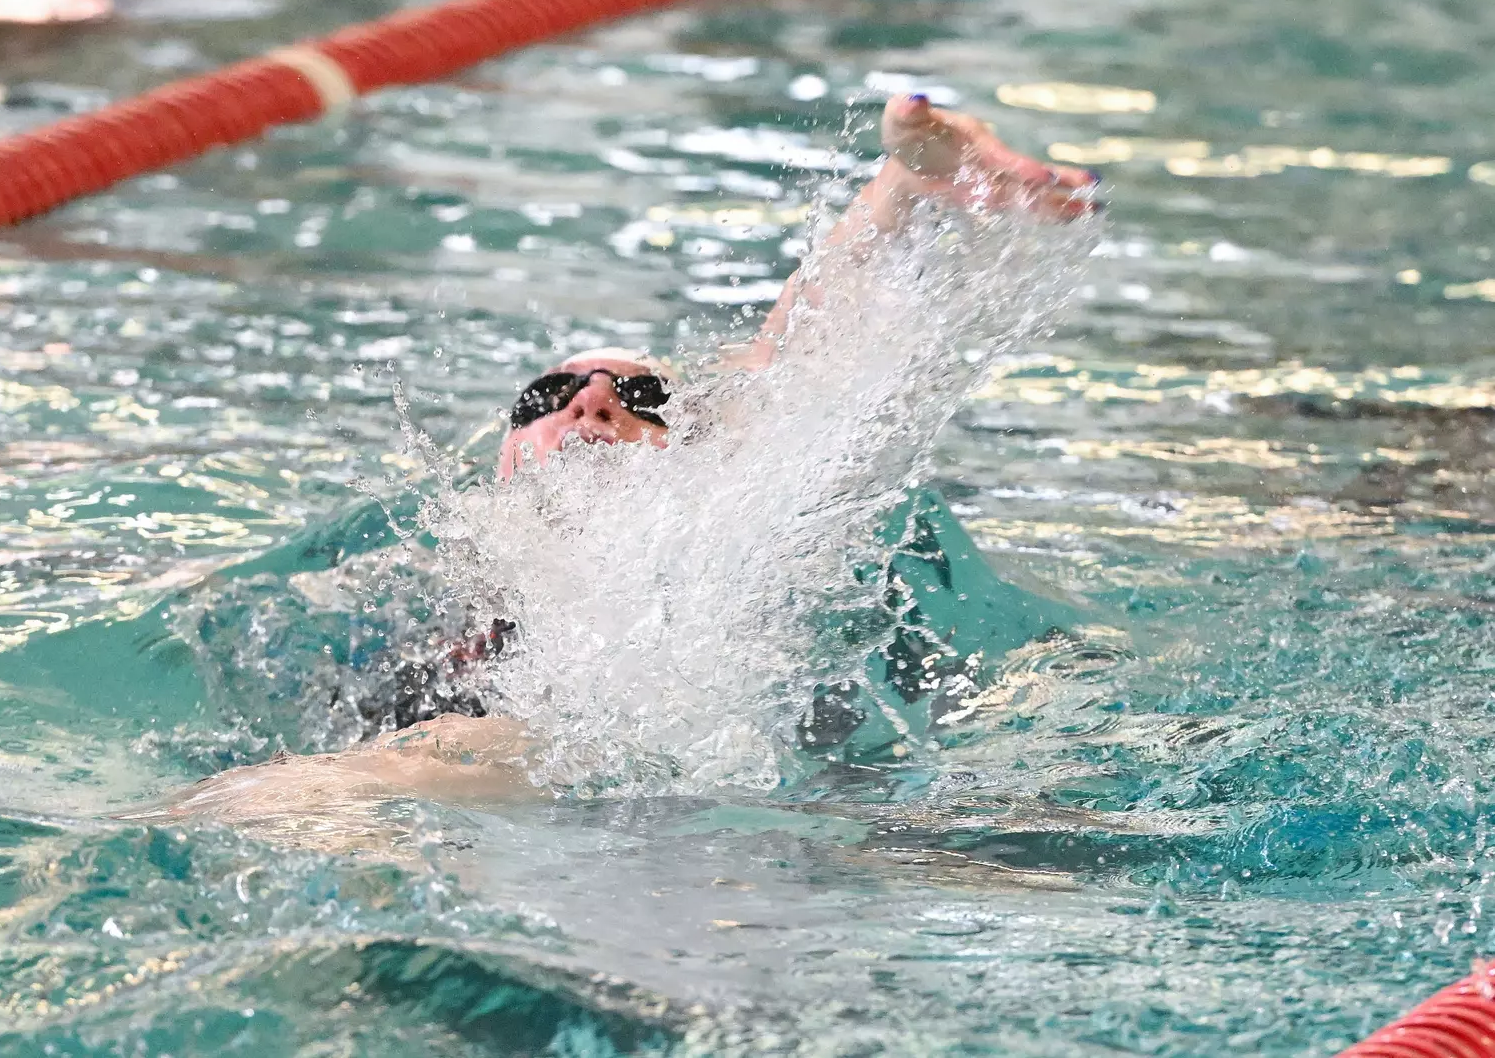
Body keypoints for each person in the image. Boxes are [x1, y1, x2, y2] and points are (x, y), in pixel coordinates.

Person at [141, 93, 1099, 826]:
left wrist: (898, 189)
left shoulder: (716, 564)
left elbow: (798, 371)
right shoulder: (415, 609)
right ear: (507, 462)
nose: (594, 400)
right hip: (468, 805)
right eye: (551, 397)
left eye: (640, 399)